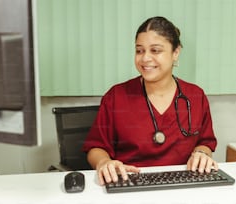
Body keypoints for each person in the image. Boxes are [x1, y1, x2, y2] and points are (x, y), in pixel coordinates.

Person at [82, 16, 218, 185]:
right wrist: (104, 162)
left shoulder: (195, 96)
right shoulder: (116, 97)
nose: (145, 58)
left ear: (175, 53)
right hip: (130, 184)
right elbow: (96, 147)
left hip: (183, 185)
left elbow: (205, 143)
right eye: (139, 50)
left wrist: (202, 154)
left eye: (155, 50)